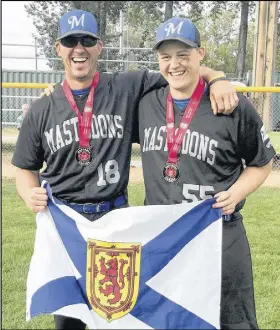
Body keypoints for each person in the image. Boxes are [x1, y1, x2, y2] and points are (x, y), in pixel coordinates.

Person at [12, 9, 239, 330]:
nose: (79, 48)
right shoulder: (42, 107)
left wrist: (217, 77)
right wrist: (27, 193)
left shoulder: (126, 86)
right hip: (66, 228)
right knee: (69, 321)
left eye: (87, 40)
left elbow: (179, 70)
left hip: (116, 224)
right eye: (70, 41)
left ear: (99, 46)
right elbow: (24, 166)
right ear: (58, 48)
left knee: (122, 314)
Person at [137, 17, 276, 329]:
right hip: (165, 237)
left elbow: (262, 162)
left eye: (183, 55)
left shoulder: (232, 106)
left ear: (201, 54)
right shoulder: (145, 103)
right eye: (166, 56)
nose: (174, 65)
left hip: (219, 235)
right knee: (166, 320)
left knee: (231, 322)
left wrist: (238, 192)